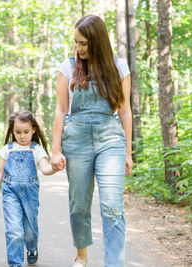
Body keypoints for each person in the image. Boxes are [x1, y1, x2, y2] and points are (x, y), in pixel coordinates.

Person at [51, 15, 133, 267]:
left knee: (112, 206)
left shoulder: (118, 68)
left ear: (98, 41)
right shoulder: (67, 68)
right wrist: (55, 150)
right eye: (76, 42)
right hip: (76, 140)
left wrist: (128, 152)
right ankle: (82, 256)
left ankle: (114, 263)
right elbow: (61, 110)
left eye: (84, 43)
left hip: (110, 138)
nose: (79, 48)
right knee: (79, 205)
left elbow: (125, 110)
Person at [0, 110, 57, 267]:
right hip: (10, 192)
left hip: (30, 194)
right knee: (14, 231)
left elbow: (45, 169)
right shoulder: (8, 149)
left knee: (30, 229)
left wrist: (55, 168)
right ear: (13, 130)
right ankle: (15, 263)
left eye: (26, 132)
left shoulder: (36, 149)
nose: (22, 136)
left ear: (33, 129)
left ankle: (32, 247)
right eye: (18, 132)